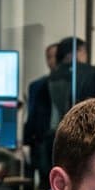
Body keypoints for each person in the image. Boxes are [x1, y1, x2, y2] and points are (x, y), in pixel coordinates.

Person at [22, 41, 60, 174]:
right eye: (49, 57)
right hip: (43, 143)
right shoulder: (37, 86)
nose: (52, 61)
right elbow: (32, 116)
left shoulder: (76, 83)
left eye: (55, 56)